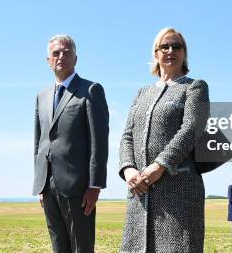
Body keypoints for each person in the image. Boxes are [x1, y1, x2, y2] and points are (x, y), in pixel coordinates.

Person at [119, 27, 209, 253]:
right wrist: (129, 169)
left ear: (184, 53)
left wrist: (160, 166)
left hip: (179, 191)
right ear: (155, 54)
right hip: (140, 189)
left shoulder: (195, 87)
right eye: (165, 46)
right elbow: (127, 135)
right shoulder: (141, 93)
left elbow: (191, 129)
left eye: (177, 46)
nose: (171, 50)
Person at [33, 34, 109, 253]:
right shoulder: (42, 96)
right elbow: (39, 142)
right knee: (59, 248)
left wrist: (95, 185)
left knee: (81, 247)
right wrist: (40, 183)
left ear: (76, 58)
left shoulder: (91, 90)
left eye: (67, 52)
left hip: (78, 187)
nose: (61, 57)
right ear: (48, 60)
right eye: (56, 53)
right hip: (47, 186)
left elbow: (99, 141)